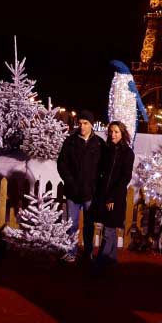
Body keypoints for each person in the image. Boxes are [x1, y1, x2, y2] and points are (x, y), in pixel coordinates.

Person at [57, 110, 105, 262]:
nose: (82, 126)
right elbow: (62, 164)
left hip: (90, 192)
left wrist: (96, 184)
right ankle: (71, 251)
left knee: (89, 225)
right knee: (72, 224)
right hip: (73, 192)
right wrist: (70, 180)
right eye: (80, 123)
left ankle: (88, 252)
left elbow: (104, 167)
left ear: (91, 124)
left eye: (86, 123)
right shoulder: (70, 141)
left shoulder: (99, 144)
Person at [90, 121, 135, 273]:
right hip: (103, 194)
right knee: (107, 228)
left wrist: (112, 198)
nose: (112, 135)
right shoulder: (107, 150)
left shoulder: (128, 153)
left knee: (108, 230)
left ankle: (101, 261)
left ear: (122, 134)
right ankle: (112, 258)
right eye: (111, 132)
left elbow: (125, 178)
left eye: (116, 132)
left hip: (115, 197)